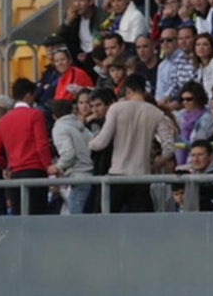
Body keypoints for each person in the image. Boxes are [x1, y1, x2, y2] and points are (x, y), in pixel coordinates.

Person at [88, 74, 176, 212]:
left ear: (128, 90)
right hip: (142, 175)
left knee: (107, 219)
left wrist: (91, 142)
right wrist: (155, 163)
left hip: (118, 173)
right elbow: (169, 147)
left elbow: (102, 142)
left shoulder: (116, 109)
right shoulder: (156, 113)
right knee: (141, 224)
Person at [0, 78, 57, 215]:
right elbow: (42, 145)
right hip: (35, 172)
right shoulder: (35, 115)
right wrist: (47, 166)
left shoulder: (3, 120)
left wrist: (6, 167)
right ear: (28, 95)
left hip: (15, 175)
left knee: (19, 219)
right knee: (37, 218)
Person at [51, 97, 94, 215]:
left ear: (54, 116)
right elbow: (93, 143)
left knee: (76, 222)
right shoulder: (81, 127)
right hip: (90, 175)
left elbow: (68, 153)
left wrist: (57, 167)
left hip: (78, 176)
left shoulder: (59, 128)